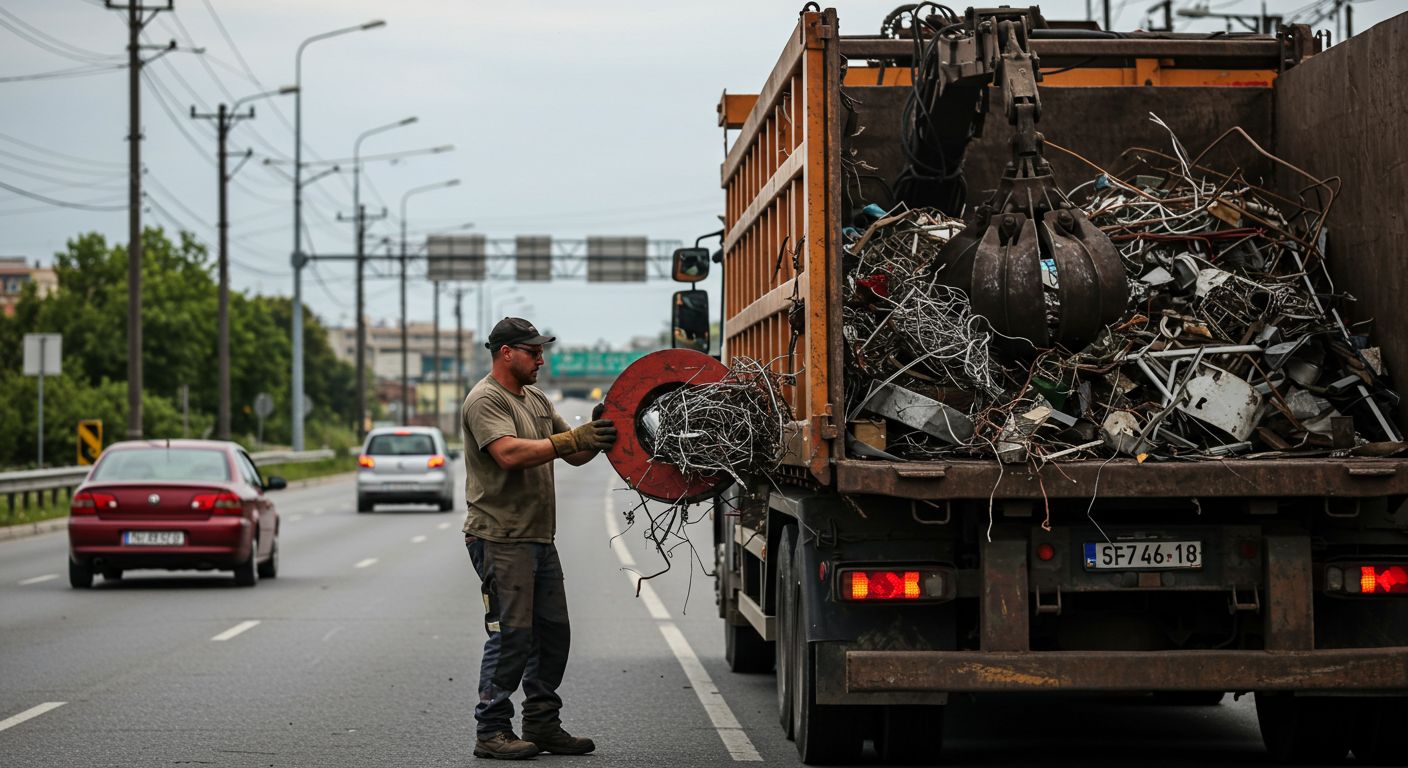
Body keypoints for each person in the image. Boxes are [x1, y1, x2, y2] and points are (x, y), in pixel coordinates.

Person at [460, 316, 617, 760]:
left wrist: (601, 428)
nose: (541, 360)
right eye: (533, 352)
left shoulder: (535, 398)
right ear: (506, 352)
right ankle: (491, 730)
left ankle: (542, 724)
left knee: (552, 634)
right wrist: (571, 440)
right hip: (499, 536)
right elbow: (509, 454)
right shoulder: (485, 400)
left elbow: (575, 452)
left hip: (537, 536)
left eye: (541, 351)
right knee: (512, 635)